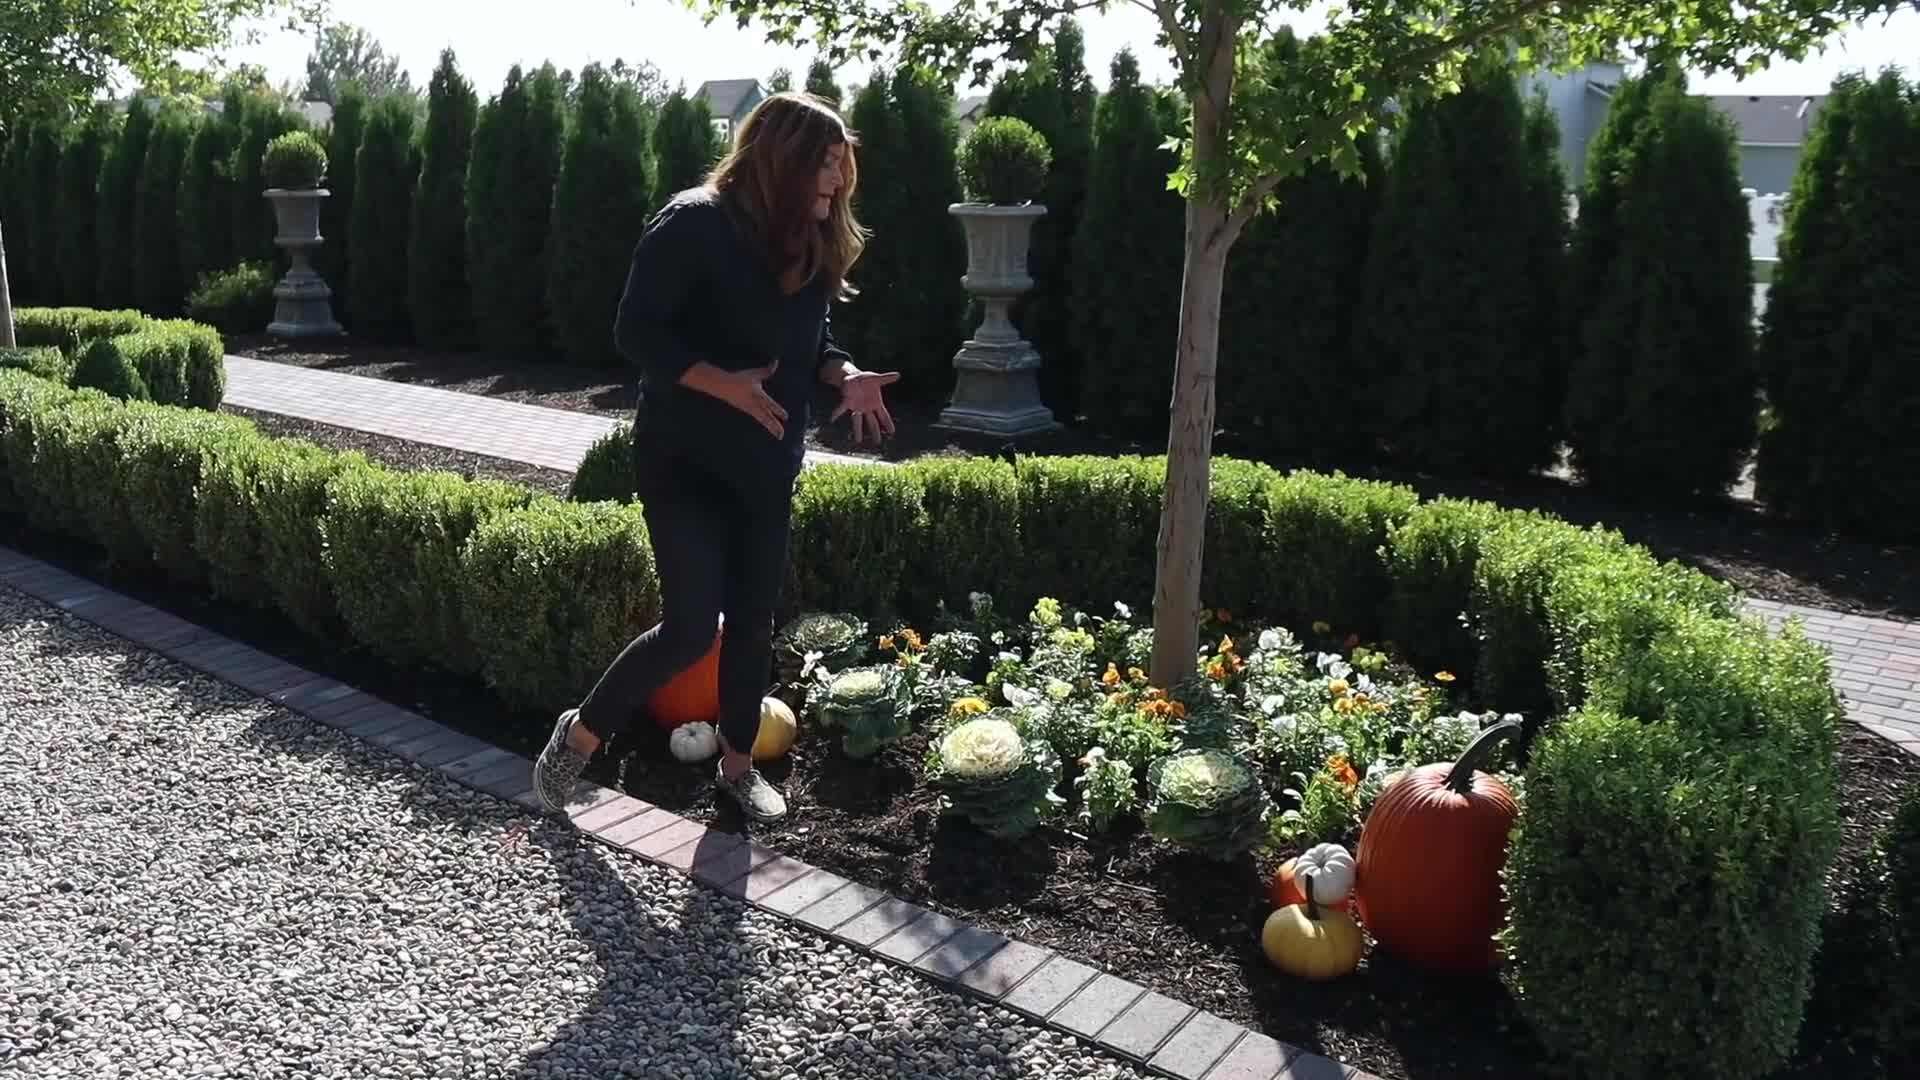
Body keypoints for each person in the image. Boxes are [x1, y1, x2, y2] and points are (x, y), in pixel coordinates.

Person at [534, 91, 898, 822]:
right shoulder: (693, 223)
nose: (838, 181)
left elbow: (810, 343)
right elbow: (637, 330)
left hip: (767, 462)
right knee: (693, 626)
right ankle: (577, 737)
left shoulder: (807, 237)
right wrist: (720, 385)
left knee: (756, 620)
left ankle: (736, 766)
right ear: (784, 160)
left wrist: (843, 374)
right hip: (685, 460)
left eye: (841, 166)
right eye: (825, 165)